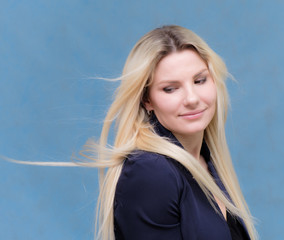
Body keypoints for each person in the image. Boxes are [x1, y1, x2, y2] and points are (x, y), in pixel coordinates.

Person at [87, 25, 258, 240]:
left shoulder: (205, 162)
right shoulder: (151, 172)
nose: (192, 98)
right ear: (147, 100)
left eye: (199, 80)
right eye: (170, 88)